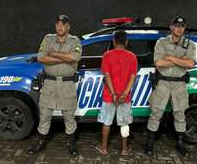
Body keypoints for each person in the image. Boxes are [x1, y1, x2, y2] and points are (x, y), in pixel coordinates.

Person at [28, 14, 82, 155]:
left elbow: (75, 57)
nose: (60, 27)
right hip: (49, 83)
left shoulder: (74, 40)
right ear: (55, 25)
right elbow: (41, 57)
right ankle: (40, 141)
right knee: (45, 114)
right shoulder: (48, 39)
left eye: (63, 24)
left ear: (68, 26)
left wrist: (55, 54)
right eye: (58, 24)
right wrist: (65, 58)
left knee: (69, 116)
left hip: (67, 85)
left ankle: (71, 142)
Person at [144, 16, 196, 156]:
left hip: (179, 84)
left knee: (180, 114)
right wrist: (181, 60)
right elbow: (159, 63)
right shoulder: (161, 42)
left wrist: (171, 58)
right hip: (163, 83)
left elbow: (191, 64)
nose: (179, 28)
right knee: (156, 113)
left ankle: (180, 143)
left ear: (184, 28)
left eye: (182, 26)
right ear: (171, 27)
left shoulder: (190, 44)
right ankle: (149, 142)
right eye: (176, 25)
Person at [95, 30, 137, 156]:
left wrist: (113, 94)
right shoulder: (132, 56)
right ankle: (124, 149)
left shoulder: (107, 55)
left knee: (107, 122)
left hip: (109, 96)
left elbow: (107, 76)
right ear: (126, 42)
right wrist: (124, 94)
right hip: (125, 97)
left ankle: (103, 148)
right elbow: (132, 77)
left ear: (113, 41)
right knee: (124, 124)